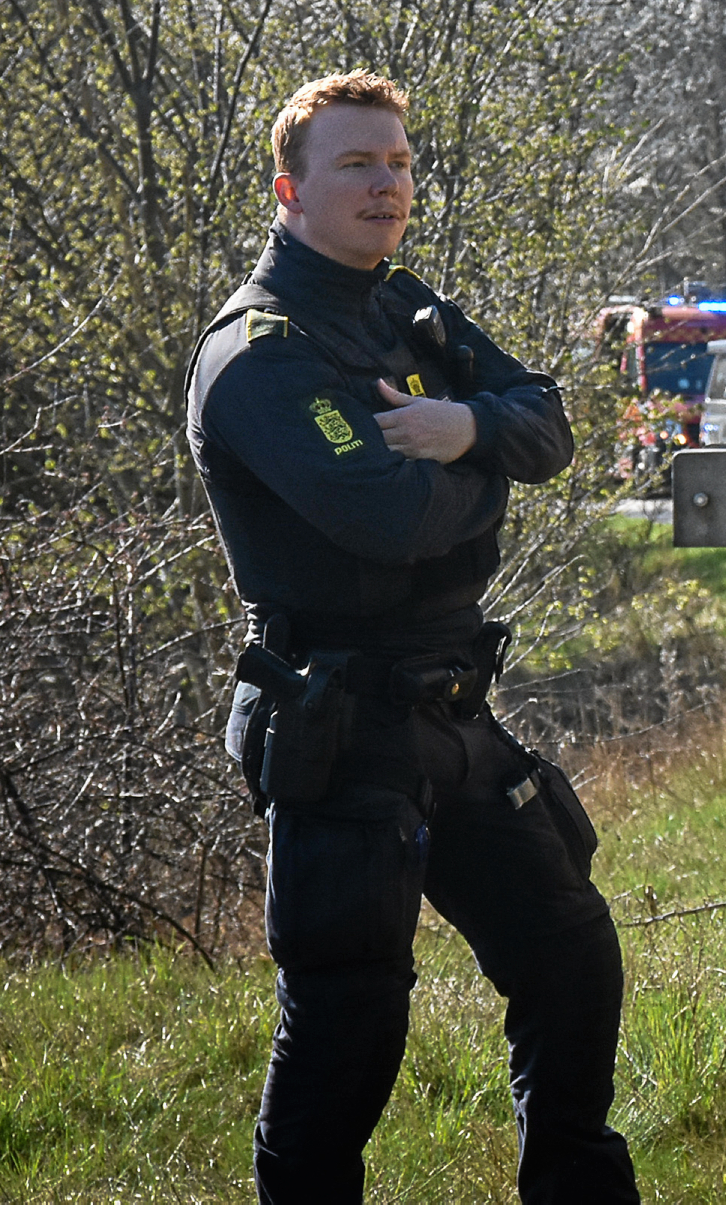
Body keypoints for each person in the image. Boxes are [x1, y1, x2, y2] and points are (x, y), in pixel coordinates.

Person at [187, 72, 637, 1204]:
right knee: (348, 1021)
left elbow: (549, 418)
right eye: (356, 164)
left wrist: (466, 426)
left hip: (450, 710)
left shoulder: (404, 308)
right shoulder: (261, 354)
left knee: (570, 951)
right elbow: (388, 520)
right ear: (291, 190)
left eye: (396, 162)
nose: (385, 183)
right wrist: (490, 466)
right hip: (338, 723)